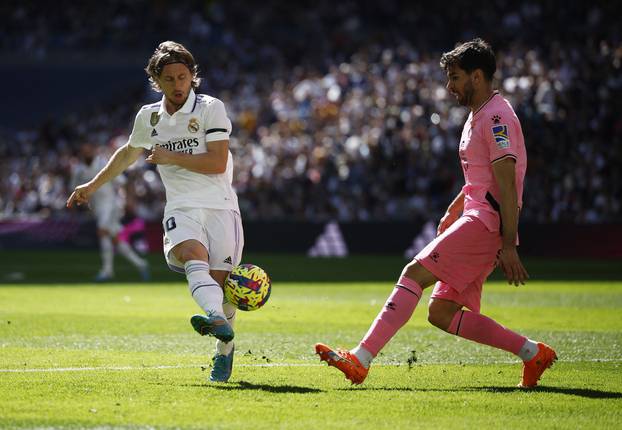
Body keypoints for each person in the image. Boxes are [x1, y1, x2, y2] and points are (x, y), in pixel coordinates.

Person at [315, 39, 557, 388]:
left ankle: (361, 359)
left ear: (477, 76)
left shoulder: (497, 116)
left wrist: (508, 244)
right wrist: (453, 211)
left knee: (414, 272)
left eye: (455, 78)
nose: (449, 86)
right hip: (478, 218)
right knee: (441, 313)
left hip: (486, 223)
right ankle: (533, 353)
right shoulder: (480, 115)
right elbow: (480, 180)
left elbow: (507, 184)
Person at [67, 41, 244, 383]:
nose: (178, 84)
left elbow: (217, 162)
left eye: (183, 77)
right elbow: (128, 153)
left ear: (193, 77)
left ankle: (224, 348)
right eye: (169, 78)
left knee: (223, 292)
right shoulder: (148, 116)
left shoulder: (211, 108)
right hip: (181, 206)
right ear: (156, 81)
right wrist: (92, 185)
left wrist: (169, 156)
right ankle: (213, 317)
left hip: (221, 206)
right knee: (193, 255)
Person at [70, 142, 150, 282]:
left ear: (93, 151)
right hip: (96, 207)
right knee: (114, 238)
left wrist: (126, 200)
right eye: (84, 151)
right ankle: (141, 264)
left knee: (102, 232)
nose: (87, 153)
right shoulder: (79, 169)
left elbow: (121, 181)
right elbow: (74, 188)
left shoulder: (102, 163)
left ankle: (107, 271)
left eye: (89, 150)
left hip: (110, 205)